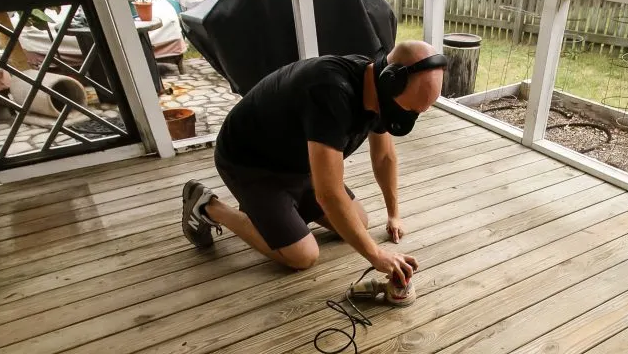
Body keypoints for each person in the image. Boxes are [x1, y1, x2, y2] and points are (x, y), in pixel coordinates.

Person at [181, 40, 446, 287]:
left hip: (297, 161)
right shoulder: (331, 92)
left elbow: (385, 156)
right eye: (410, 110)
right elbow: (328, 193)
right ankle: (208, 206)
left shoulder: (377, 88)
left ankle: (272, 214)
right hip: (250, 162)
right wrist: (377, 255)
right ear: (391, 79)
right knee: (302, 255)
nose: (409, 118)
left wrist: (393, 214)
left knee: (359, 223)